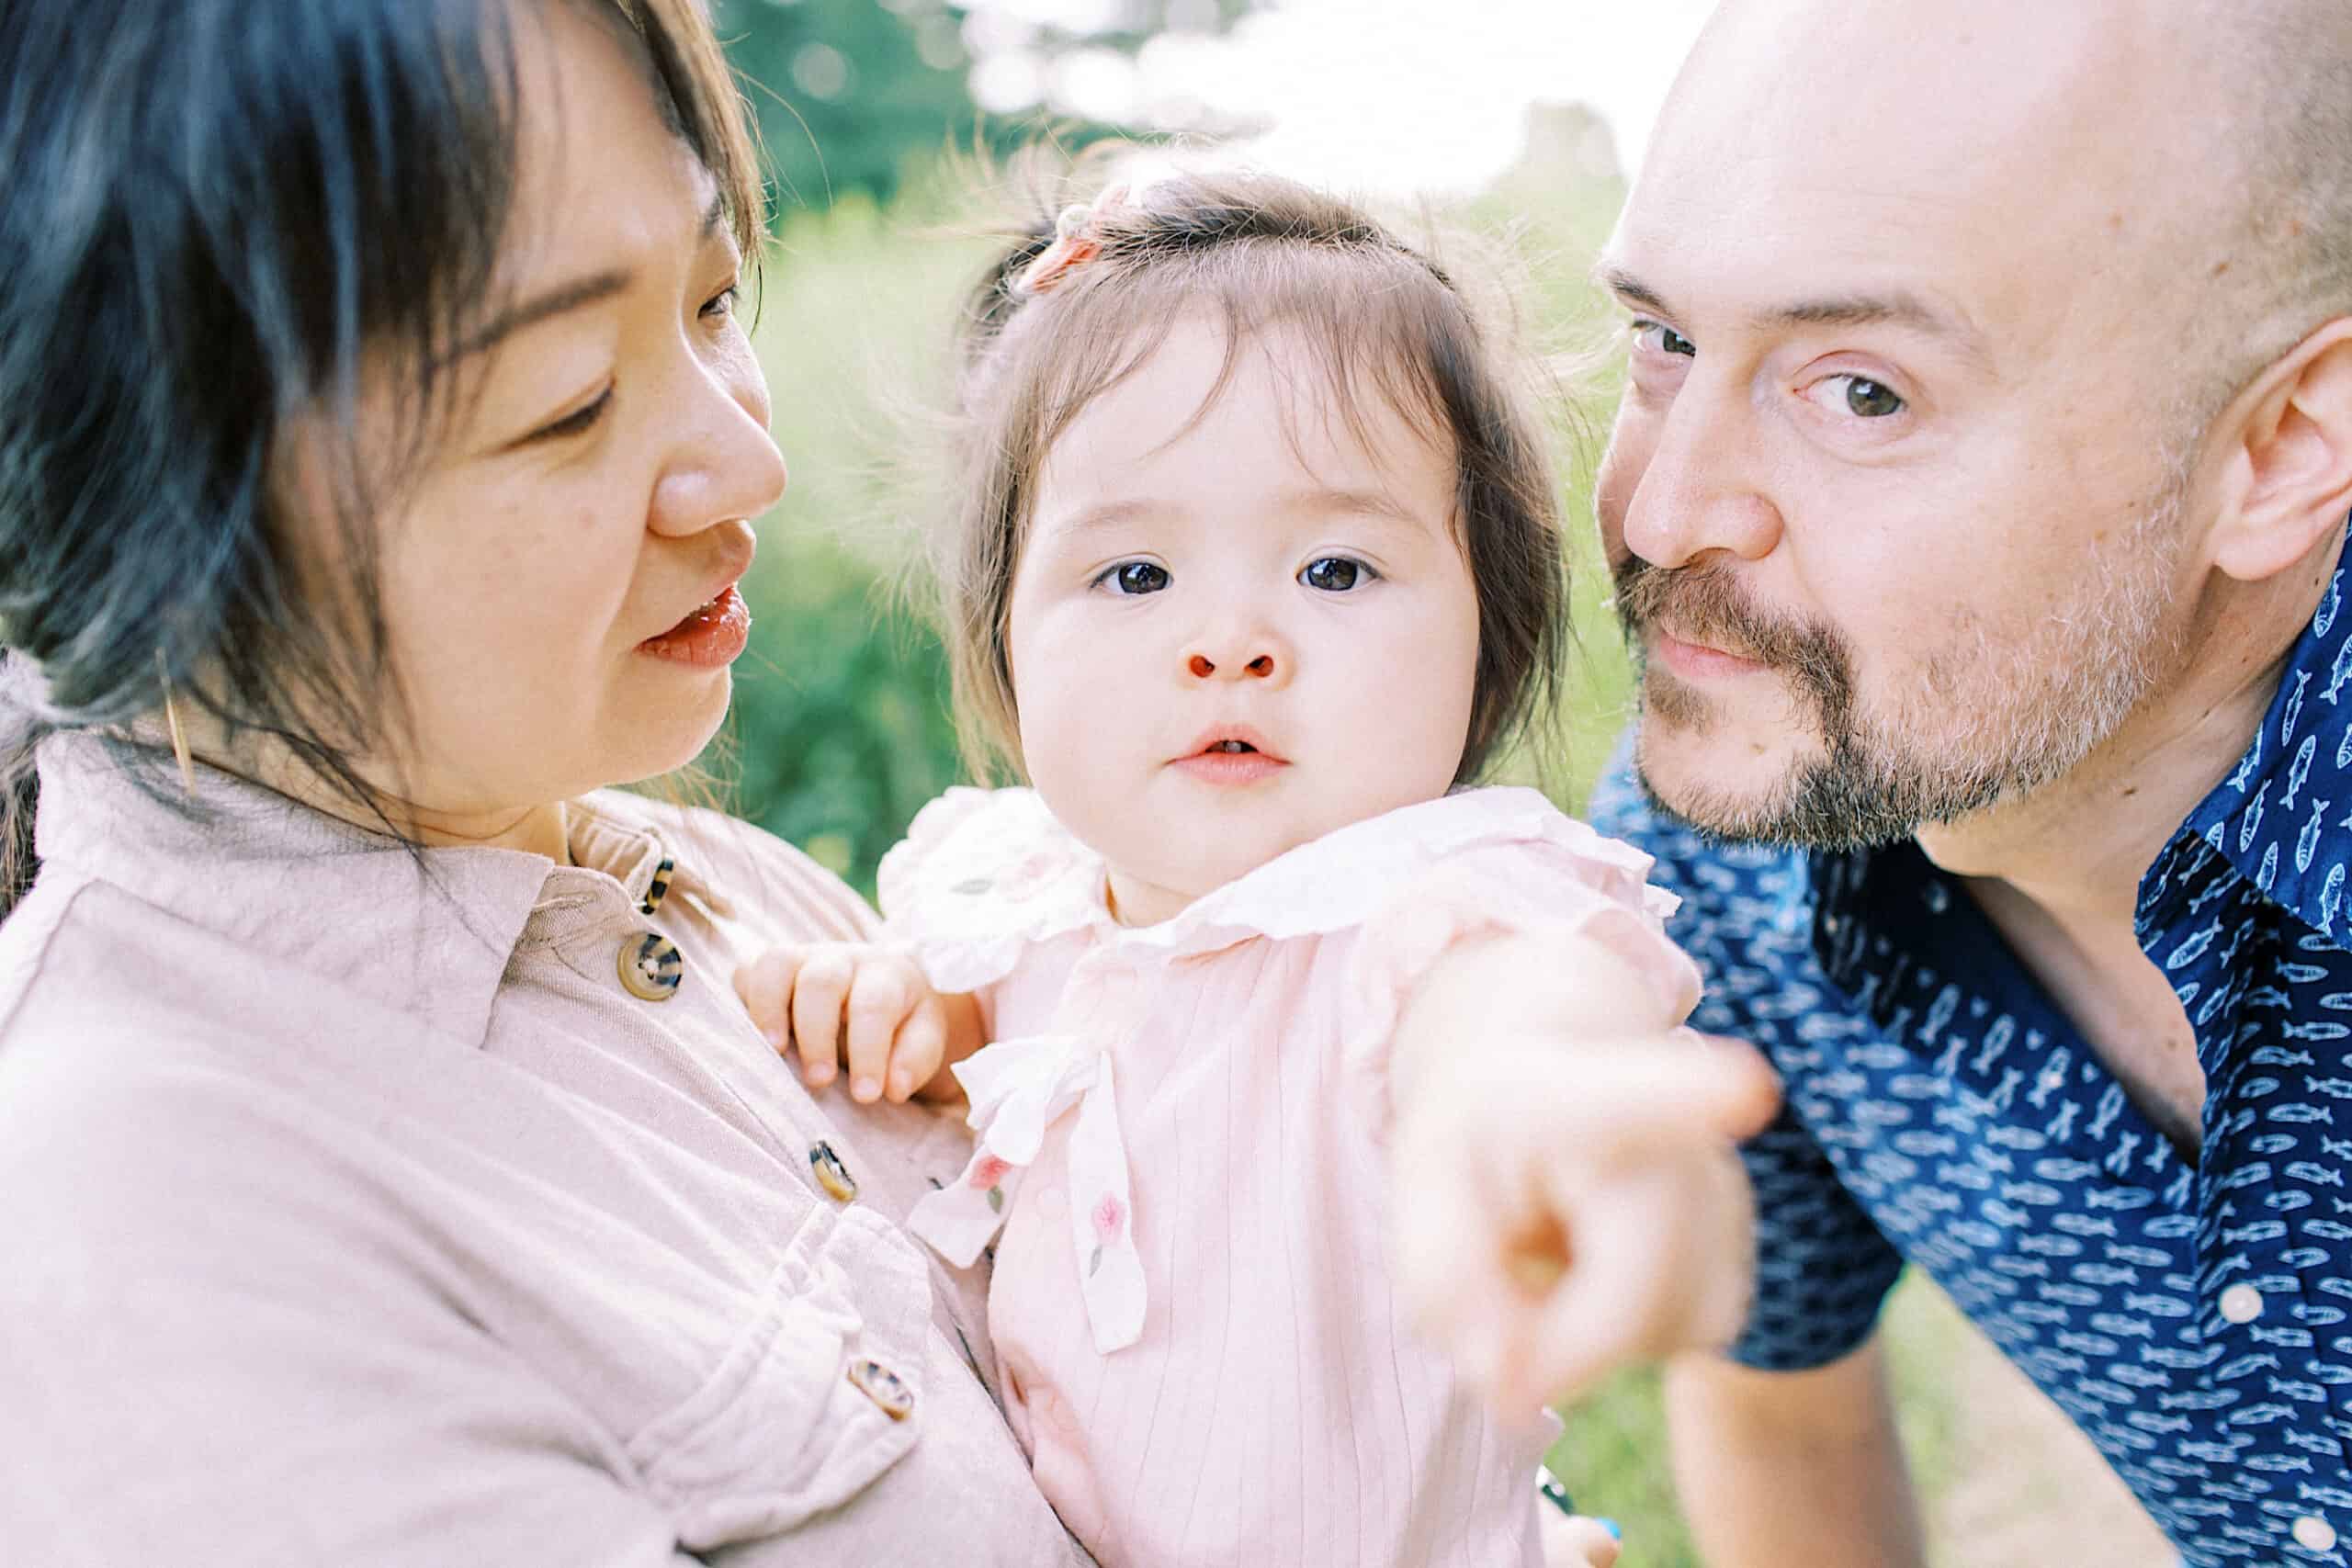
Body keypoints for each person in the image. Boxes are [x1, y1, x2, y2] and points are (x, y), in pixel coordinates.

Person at [0, 2, 1096, 1560]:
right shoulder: (138, 1213)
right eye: (573, 400)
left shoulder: (743, 911)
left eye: (715, 302)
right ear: (168, 533)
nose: (743, 462)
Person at [728, 167, 1776, 1568]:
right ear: (1003, 632)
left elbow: (1494, 1012)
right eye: (1136, 576)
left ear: (1490, 630)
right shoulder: (1022, 912)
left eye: (1335, 571)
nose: (1230, 640)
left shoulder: (1425, 906)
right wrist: (913, 1015)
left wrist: (1536, 1092)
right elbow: (1020, 1046)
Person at [1545, 0, 2352, 1563]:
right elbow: (1775, 1393)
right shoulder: (1725, 868)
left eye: (1862, 393)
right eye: (1667, 342)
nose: (1660, 518)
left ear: (2281, 448)